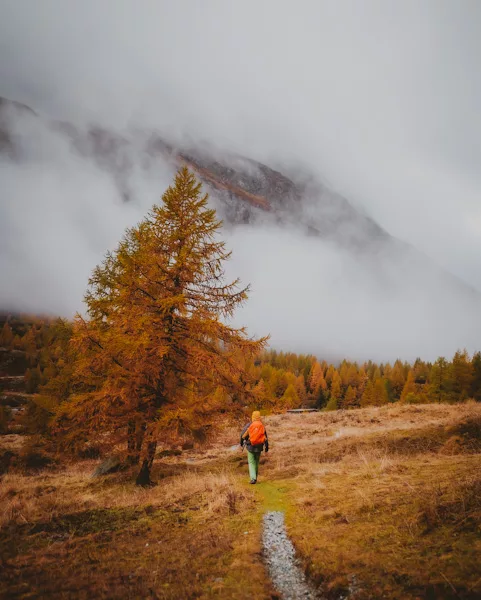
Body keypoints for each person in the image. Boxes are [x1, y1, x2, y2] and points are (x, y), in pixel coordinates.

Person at [240, 410, 269, 484]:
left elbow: (242, 435)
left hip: (250, 446)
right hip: (259, 447)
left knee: (251, 462)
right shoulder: (261, 425)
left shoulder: (249, 425)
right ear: (259, 417)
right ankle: (255, 477)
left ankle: (253, 478)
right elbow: (265, 437)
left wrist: (241, 443)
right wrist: (266, 447)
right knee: (256, 462)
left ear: (252, 417)